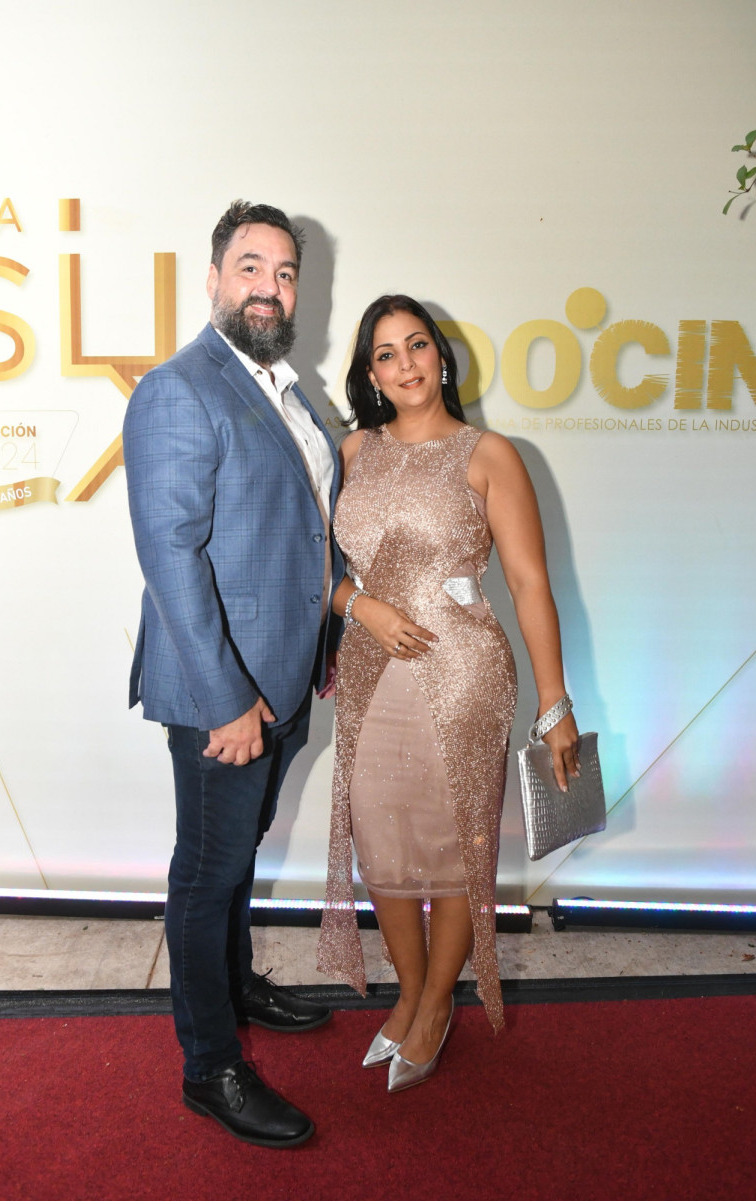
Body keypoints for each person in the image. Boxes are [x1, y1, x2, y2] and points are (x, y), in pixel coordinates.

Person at [317, 294, 579, 1092]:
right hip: (370, 669)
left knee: (458, 838)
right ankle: (408, 990)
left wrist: (555, 704)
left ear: (442, 355)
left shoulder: (488, 453)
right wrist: (359, 604)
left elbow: (532, 584)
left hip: (463, 670)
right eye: (388, 353)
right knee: (381, 836)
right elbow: (312, 567)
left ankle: (433, 1007)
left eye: (418, 345)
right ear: (371, 373)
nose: (407, 364)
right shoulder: (351, 453)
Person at [123, 200, 343, 1147]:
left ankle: (236, 979)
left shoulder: (283, 389)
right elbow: (170, 553)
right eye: (250, 266)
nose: (269, 285)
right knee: (207, 873)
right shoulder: (182, 388)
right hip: (224, 695)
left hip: (283, 683)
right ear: (214, 279)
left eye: (285, 272)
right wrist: (228, 702)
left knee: (239, 852)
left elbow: (298, 526)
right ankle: (210, 1064)